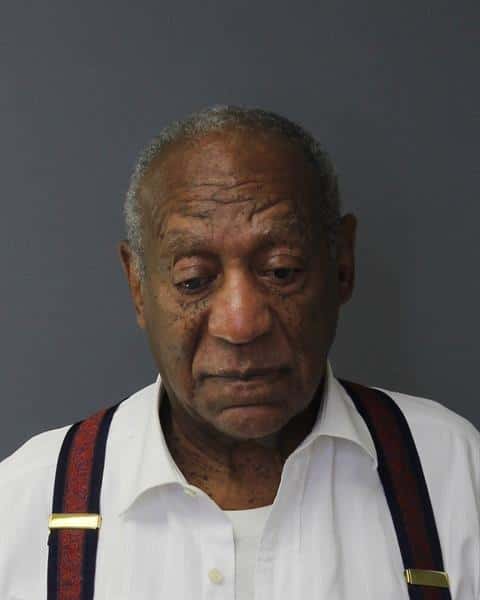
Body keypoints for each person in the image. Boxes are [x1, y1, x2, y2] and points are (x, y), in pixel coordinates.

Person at [1, 105, 479, 600]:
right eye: (193, 280)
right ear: (137, 286)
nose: (241, 324)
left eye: (280, 271)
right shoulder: (23, 505)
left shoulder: (454, 476)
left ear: (342, 265)